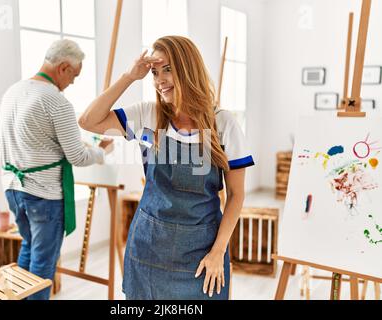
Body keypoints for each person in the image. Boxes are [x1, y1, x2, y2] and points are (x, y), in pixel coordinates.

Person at [79, 35, 254, 300]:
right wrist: (129, 76)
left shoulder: (223, 124)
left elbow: (236, 195)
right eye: (155, 72)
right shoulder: (147, 117)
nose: (160, 80)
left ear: (188, 68)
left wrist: (218, 252)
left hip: (201, 254)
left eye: (168, 69)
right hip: (148, 251)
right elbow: (89, 121)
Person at [0, 39, 113, 300]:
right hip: (43, 195)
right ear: (63, 67)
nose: (73, 82)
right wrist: (102, 151)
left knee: (28, 247)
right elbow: (78, 156)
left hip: (13, 189)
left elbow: (6, 141)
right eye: (74, 75)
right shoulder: (55, 101)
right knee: (43, 264)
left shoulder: (13, 92)